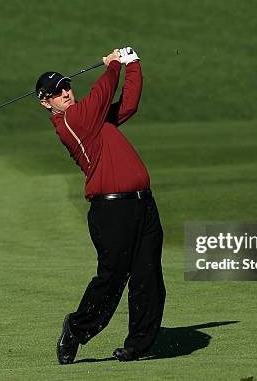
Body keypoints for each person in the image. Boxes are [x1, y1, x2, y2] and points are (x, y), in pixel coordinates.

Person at [35, 47, 166, 364]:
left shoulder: (93, 119)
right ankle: (76, 329)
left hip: (143, 205)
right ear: (45, 102)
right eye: (56, 92)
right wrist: (111, 67)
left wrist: (132, 64)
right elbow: (101, 96)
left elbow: (129, 105)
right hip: (111, 211)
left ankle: (137, 345)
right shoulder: (70, 123)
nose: (65, 93)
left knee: (148, 277)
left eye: (66, 86)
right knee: (112, 277)